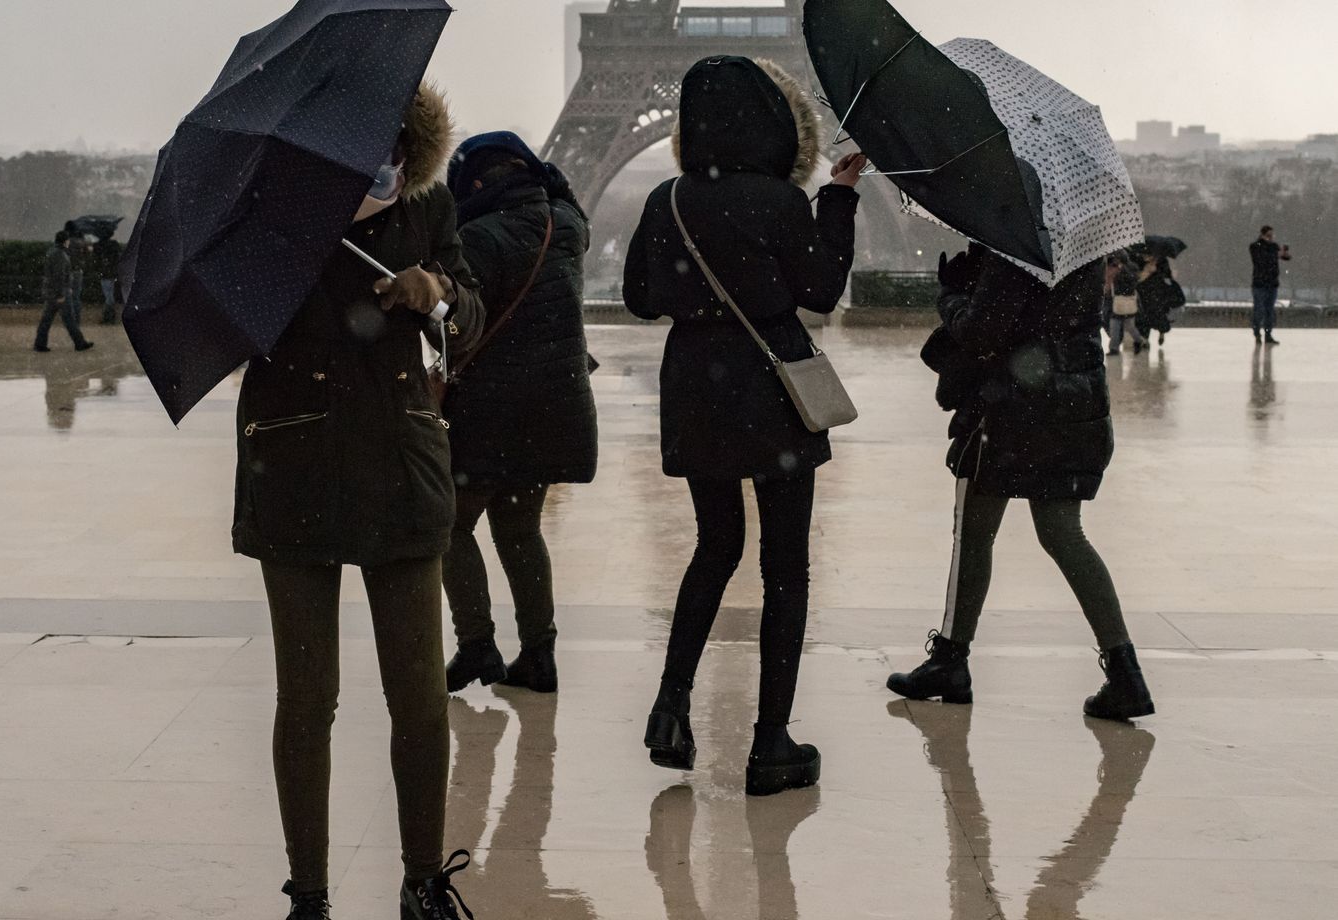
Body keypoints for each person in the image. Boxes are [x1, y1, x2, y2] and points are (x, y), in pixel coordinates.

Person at [231, 83, 484, 920]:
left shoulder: (429, 205)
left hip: (398, 457)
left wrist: (435, 293)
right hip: (295, 456)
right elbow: (237, 322)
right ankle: (308, 893)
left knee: (416, 694)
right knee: (307, 698)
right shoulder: (273, 206)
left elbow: (472, 313)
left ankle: (422, 880)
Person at [623, 55, 867, 796]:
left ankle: (671, 706)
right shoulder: (780, 203)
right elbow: (821, 289)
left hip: (698, 387)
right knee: (785, 567)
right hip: (773, 391)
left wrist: (696, 298)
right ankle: (770, 742)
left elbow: (637, 298)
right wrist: (839, 201)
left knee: (715, 546)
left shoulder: (666, 201)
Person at [888, 244, 1155, 722]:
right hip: (1074, 400)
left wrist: (952, 294)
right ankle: (1124, 670)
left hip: (1012, 406)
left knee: (974, 530)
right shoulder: (1085, 239)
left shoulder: (1014, 236)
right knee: (1063, 534)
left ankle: (951, 658)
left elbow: (982, 328)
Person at [440, 131, 599, 695]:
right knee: (521, 531)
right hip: (555, 403)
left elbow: (461, 329)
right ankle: (539, 653)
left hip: (489, 407)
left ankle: (476, 644)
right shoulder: (568, 226)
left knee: (451, 526)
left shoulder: (478, 236)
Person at [33, 230, 93, 352]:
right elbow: (59, 276)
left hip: (53, 292)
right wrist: (61, 293)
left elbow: (54, 276)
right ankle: (79, 343)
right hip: (60, 293)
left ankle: (40, 343)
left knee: (47, 319)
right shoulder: (60, 255)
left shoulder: (53, 252)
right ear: (65, 241)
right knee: (69, 319)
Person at [1249, 225, 1291, 345]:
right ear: (1262, 235)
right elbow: (1260, 260)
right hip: (1259, 284)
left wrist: (1284, 254)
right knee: (1259, 310)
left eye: (1272, 235)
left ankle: (1268, 334)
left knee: (1269, 311)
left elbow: (1285, 257)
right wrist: (1276, 255)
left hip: (1272, 284)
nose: (1271, 238)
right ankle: (1257, 333)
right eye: (1269, 235)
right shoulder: (1255, 246)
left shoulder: (1274, 247)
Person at [1104, 252, 1145, 355]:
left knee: (1129, 325)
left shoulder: (1129, 268)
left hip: (1125, 298)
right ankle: (1114, 348)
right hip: (1118, 299)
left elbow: (1132, 281)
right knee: (1115, 324)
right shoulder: (1115, 267)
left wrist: (1120, 271)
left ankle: (1138, 340)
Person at [92, 229, 123, 324]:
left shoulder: (100, 245)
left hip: (105, 274)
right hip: (112, 273)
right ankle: (110, 317)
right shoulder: (114, 245)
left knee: (108, 296)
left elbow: (96, 253)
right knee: (110, 295)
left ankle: (108, 317)